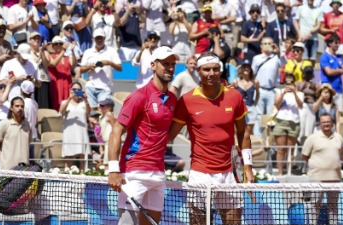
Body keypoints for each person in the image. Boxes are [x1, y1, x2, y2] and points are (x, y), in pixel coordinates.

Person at [168, 52, 254, 225]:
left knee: (233, 222)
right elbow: (169, 135)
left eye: (215, 69)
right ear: (198, 71)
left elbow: (243, 133)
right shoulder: (186, 101)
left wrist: (248, 168)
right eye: (206, 69)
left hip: (229, 174)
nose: (211, 73)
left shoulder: (234, 96)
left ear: (220, 71)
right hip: (200, 174)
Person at [108, 46, 179, 225]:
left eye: (172, 64)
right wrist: (114, 169)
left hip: (158, 174)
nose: (170, 68)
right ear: (153, 65)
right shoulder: (139, 96)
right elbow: (116, 131)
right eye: (165, 64)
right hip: (134, 172)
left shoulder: (172, 99)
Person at [302, 113, 343, 225]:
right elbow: (305, 155)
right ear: (320, 124)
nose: (326, 124)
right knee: (314, 204)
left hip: (335, 179)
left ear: (332, 123)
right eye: (324, 122)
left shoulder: (338, 137)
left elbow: (341, 153)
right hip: (317, 178)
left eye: (328, 122)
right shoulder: (312, 138)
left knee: (333, 205)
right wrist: (317, 165)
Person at [80, 28, 122, 111]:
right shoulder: (88, 52)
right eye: (97, 38)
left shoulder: (112, 51)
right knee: (91, 111)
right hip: (91, 86)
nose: (99, 40)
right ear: (93, 39)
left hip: (106, 87)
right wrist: (89, 67)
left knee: (104, 112)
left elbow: (120, 68)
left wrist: (109, 63)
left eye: (101, 38)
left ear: (104, 38)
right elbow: (81, 69)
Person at [273, 73, 304, 175]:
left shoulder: (300, 93)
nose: (289, 82)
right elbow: (277, 105)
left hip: (294, 122)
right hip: (281, 121)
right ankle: (281, 172)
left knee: (290, 149)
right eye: (287, 80)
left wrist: (294, 93)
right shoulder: (279, 91)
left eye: (291, 80)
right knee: (281, 149)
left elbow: (300, 105)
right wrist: (283, 93)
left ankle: (289, 172)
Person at [252, 37, 281, 137]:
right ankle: (258, 136)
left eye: (270, 43)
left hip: (271, 90)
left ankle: (268, 137)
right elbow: (253, 73)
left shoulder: (276, 58)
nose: (267, 45)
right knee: (259, 114)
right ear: (261, 46)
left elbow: (284, 62)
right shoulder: (257, 58)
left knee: (270, 115)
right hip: (260, 89)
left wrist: (278, 52)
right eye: (265, 43)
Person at [0, 96, 31, 170]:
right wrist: (4, 159)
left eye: (22, 106)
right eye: (17, 106)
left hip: (24, 170)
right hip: (7, 170)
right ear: (11, 108)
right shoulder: (3, 124)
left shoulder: (27, 125)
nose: (20, 108)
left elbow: (27, 143)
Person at [59, 82, 91, 171]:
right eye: (74, 89)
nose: (76, 91)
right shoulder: (65, 102)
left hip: (81, 131)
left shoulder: (84, 103)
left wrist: (86, 100)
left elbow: (88, 112)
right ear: (70, 90)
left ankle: (82, 173)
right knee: (69, 155)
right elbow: (61, 112)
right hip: (69, 131)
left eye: (78, 90)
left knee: (82, 155)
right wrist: (70, 98)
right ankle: (67, 174)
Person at [45, 35, 76, 111]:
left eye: (60, 43)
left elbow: (74, 65)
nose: (58, 45)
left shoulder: (67, 57)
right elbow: (53, 64)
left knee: (67, 104)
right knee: (56, 105)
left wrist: (72, 51)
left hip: (67, 83)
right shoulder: (50, 55)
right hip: (56, 84)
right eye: (56, 44)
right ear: (53, 46)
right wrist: (63, 51)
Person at [232, 59, 259, 136]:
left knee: (249, 131)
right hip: (239, 108)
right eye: (244, 67)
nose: (246, 69)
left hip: (250, 107)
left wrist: (255, 104)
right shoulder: (236, 81)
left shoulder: (255, 82)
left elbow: (258, 93)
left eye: (248, 67)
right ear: (241, 69)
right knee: (238, 130)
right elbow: (232, 94)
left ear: (250, 69)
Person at [319, 34, 343, 114]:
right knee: (327, 112)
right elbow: (329, 72)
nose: (338, 45)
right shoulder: (324, 56)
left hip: (338, 88)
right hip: (328, 88)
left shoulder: (340, 57)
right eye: (336, 43)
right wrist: (339, 71)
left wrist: (339, 70)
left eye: (338, 43)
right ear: (330, 43)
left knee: (338, 113)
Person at [294, 0, 323, 66]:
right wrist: (299, 34)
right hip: (303, 38)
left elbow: (318, 26)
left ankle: (310, 75)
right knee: (304, 59)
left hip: (314, 39)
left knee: (313, 60)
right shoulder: (301, 8)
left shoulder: (318, 10)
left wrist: (310, 32)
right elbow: (295, 22)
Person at [296, 66, 320, 144]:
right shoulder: (298, 83)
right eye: (307, 73)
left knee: (309, 130)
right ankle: (298, 147)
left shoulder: (315, 84)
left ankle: (307, 148)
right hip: (301, 107)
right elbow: (296, 94)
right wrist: (303, 87)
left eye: (310, 73)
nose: (308, 75)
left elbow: (319, 96)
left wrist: (315, 89)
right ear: (303, 74)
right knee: (301, 129)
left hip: (311, 107)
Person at [29, 31, 50, 109]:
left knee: (43, 105)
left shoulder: (45, 52)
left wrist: (42, 52)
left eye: (38, 39)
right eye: (34, 38)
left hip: (43, 79)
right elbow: (33, 65)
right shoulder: (28, 52)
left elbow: (46, 64)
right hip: (33, 80)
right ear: (30, 40)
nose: (37, 40)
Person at [98, 98, 115, 165]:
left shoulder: (109, 114)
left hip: (110, 141)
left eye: (102, 105)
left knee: (108, 163)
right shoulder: (101, 116)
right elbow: (100, 132)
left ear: (109, 107)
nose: (100, 107)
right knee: (105, 162)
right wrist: (100, 144)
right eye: (100, 105)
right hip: (105, 142)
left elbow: (114, 127)